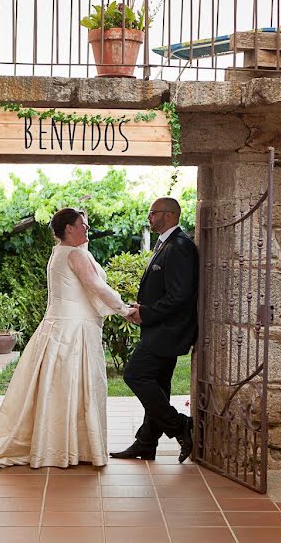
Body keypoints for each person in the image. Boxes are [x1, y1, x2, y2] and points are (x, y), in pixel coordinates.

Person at [0, 208, 134, 472]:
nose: (87, 228)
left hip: (61, 327)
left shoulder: (59, 253)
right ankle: (69, 447)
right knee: (72, 385)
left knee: (62, 388)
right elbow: (95, 286)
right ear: (69, 229)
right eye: (83, 224)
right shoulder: (74, 253)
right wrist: (124, 309)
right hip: (73, 331)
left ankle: (63, 445)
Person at [110, 197, 198, 463]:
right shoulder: (168, 244)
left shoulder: (180, 246)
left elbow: (179, 295)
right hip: (159, 327)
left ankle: (179, 425)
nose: (149, 216)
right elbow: (165, 289)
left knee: (135, 374)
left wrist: (145, 313)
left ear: (170, 215)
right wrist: (143, 307)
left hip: (168, 331)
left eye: (153, 212)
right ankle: (146, 443)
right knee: (159, 385)